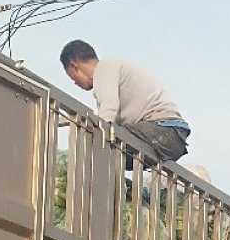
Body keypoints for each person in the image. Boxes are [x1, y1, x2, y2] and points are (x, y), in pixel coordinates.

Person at [60, 39, 191, 161]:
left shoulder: (104, 69)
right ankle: (121, 185)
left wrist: (90, 141)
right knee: (115, 154)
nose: (75, 84)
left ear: (74, 67)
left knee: (100, 143)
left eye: (73, 78)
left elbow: (107, 114)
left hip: (163, 129)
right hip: (173, 135)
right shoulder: (113, 70)